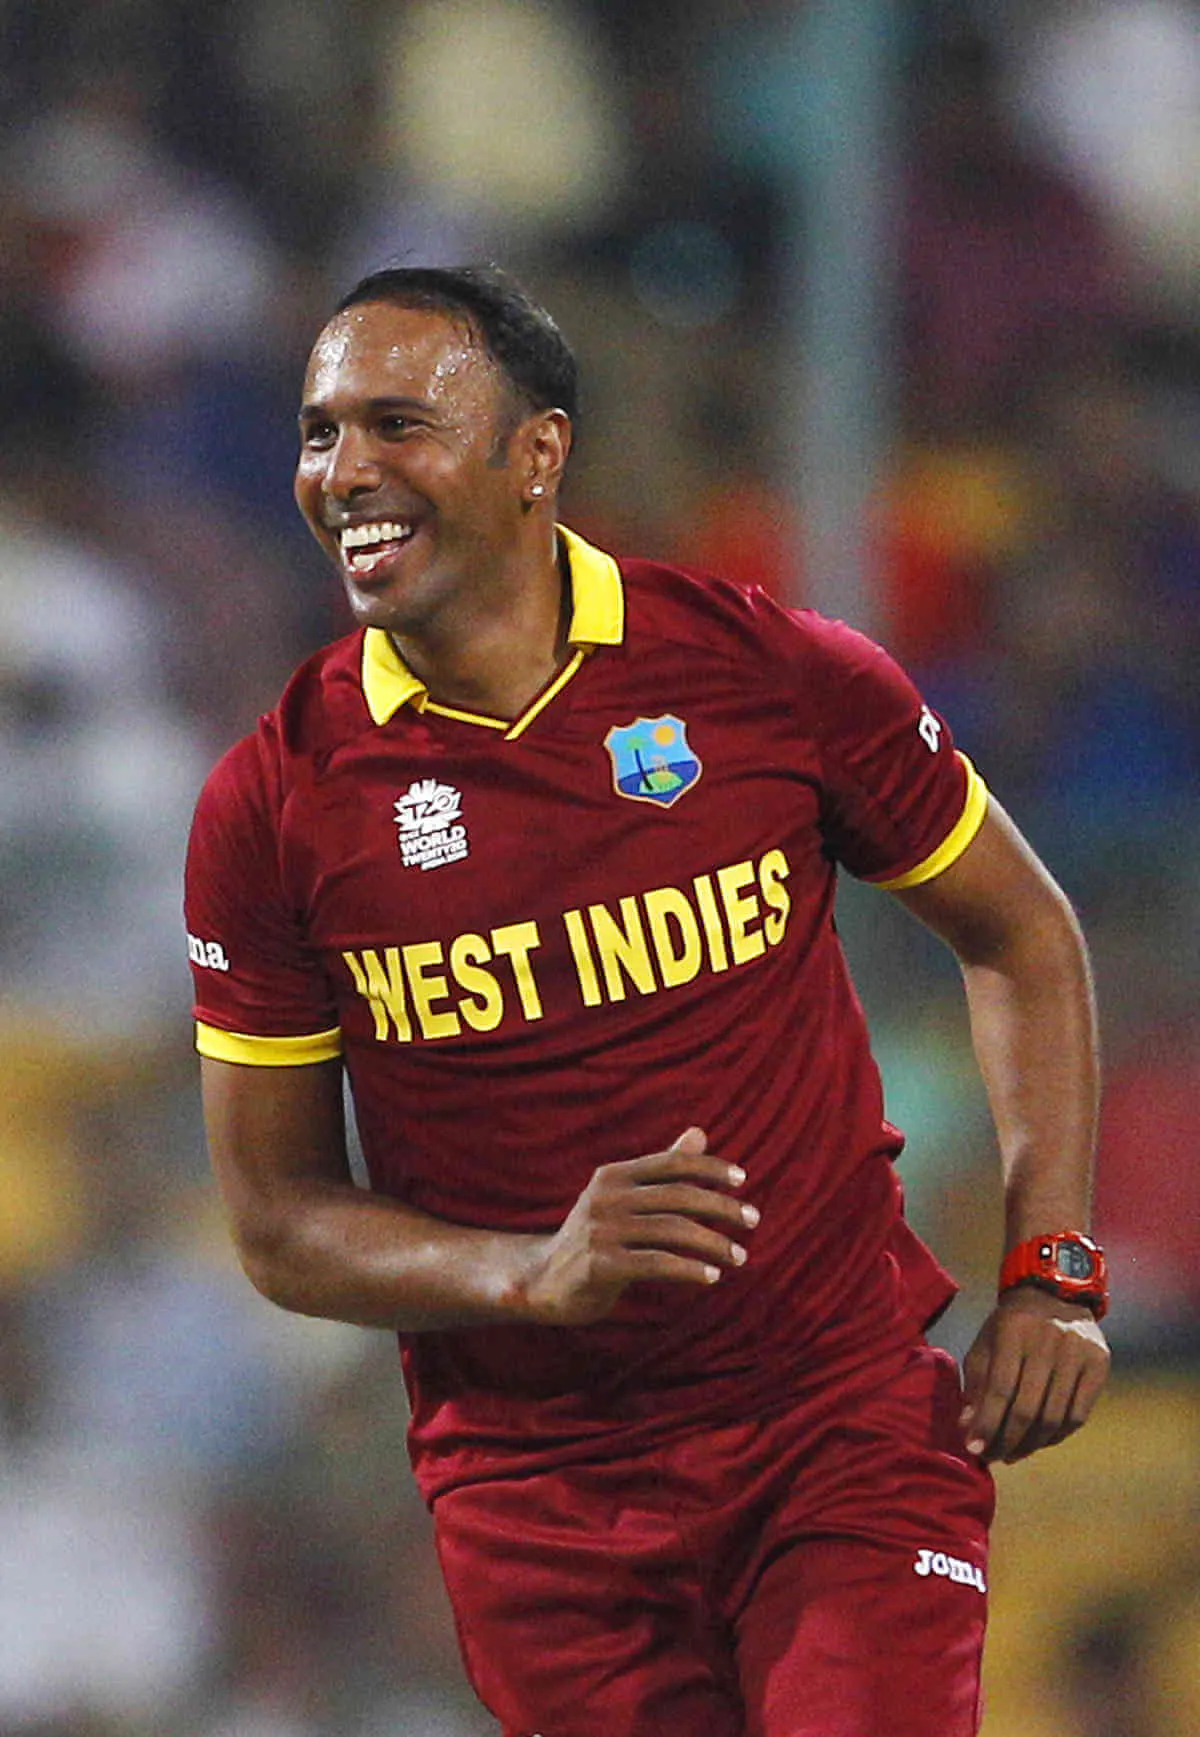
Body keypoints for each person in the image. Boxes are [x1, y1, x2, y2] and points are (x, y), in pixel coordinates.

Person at [184, 265, 1111, 1737]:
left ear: (537, 453)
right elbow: (279, 1223)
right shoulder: (274, 804)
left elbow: (1023, 934)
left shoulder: (768, 672)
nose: (343, 471)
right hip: (538, 1496)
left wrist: (1052, 1269)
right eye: (319, 433)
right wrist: (529, 1271)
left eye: (397, 424)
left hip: (835, 1424)